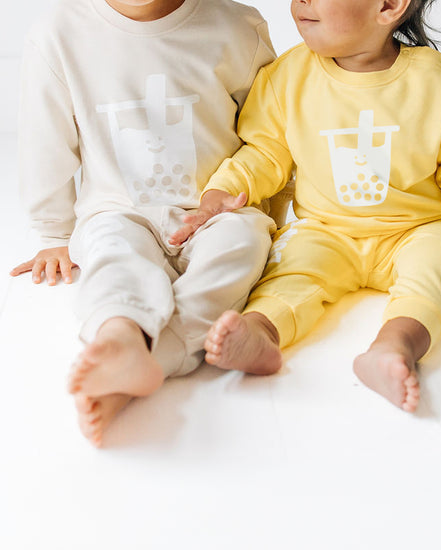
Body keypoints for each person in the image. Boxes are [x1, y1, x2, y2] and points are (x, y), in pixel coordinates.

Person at [169, 0, 441, 413]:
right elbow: (264, 153)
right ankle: (260, 332)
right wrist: (223, 191)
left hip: (416, 230)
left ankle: (395, 345)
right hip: (325, 230)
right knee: (290, 270)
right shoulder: (287, 77)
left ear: (388, 6)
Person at [10, 0, 293, 446]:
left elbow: (270, 134)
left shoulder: (238, 27)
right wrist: (54, 232)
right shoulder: (59, 34)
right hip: (117, 208)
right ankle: (121, 330)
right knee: (113, 253)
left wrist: (268, 216)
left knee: (243, 242)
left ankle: (147, 355)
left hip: (213, 212)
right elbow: (45, 139)